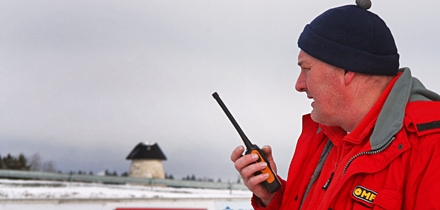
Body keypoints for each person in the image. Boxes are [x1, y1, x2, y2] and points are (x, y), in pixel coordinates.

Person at [230, 1, 440, 209]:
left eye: (307, 69)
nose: (299, 85)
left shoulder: (430, 145)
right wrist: (273, 198)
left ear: (348, 70)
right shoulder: (324, 135)